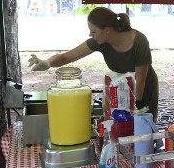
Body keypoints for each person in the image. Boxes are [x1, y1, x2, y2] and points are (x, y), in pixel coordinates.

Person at [28, 7, 159, 117]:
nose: (90, 34)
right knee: (119, 127)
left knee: (142, 131)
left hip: (143, 89)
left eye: (93, 31)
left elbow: (141, 78)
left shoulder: (139, 41)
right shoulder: (100, 41)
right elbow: (66, 57)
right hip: (119, 87)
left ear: (107, 31)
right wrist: (47, 63)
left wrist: (137, 103)